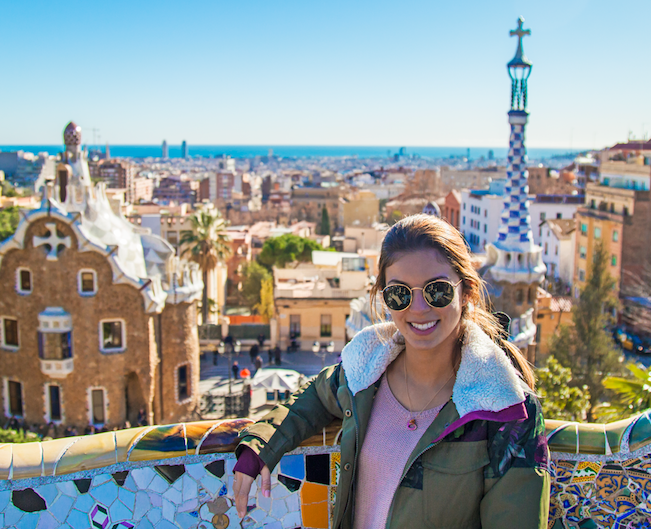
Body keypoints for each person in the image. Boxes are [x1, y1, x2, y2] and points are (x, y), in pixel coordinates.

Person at [233, 214, 550, 529]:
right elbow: (314, 396)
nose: (418, 308)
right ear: (384, 297)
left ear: (466, 291)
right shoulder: (365, 372)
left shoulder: (506, 411)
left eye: (436, 290)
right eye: (399, 293)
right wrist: (259, 447)